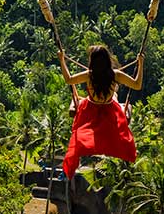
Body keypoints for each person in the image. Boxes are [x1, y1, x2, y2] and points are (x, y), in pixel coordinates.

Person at [59, 45, 144, 180]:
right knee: (113, 95)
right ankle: (112, 94)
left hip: (90, 109)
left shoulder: (89, 75)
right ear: (107, 60)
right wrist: (140, 64)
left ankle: (110, 95)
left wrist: (62, 60)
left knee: (79, 132)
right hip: (110, 109)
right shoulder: (115, 75)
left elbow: (69, 79)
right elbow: (137, 85)